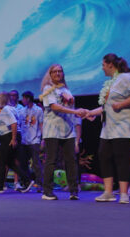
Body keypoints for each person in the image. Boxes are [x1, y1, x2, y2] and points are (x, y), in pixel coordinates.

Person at [86, 54, 130, 204]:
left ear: (110, 65)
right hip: (108, 127)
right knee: (104, 155)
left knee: (121, 157)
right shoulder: (111, 82)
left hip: (123, 125)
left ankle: (124, 193)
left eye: (103, 65)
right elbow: (107, 106)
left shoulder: (126, 77)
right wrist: (90, 113)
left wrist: (121, 105)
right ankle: (108, 192)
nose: (102, 68)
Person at [40, 64, 87, 200]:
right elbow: (55, 106)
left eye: (60, 71)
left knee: (71, 160)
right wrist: (74, 111)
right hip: (53, 128)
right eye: (54, 72)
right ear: (50, 74)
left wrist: (83, 114)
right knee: (51, 160)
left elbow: (70, 106)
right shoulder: (48, 89)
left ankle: (73, 190)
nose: (57, 74)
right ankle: (47, 191)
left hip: (68, 129)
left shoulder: (65, 89)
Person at [0, 92, 34, 193]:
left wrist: (13, 138)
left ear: (3, 99)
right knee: (10, 162)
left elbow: (14, 123)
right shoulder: (11, 108)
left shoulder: (6, 110)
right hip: (11, 135)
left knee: (1, 161)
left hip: (8, 136)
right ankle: (27, 180)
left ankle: (0, 187)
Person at [20, 91, 44, 190]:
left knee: (36, 163)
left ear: (28, 98)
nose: (22, 100)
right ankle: (27, 182)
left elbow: (41, 124)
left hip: (35, 140)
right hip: (24, 140)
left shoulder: (38, 110)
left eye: (24, 98)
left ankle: (40, 184)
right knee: (23, 163)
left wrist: (44, 139)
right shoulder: (22, 110)